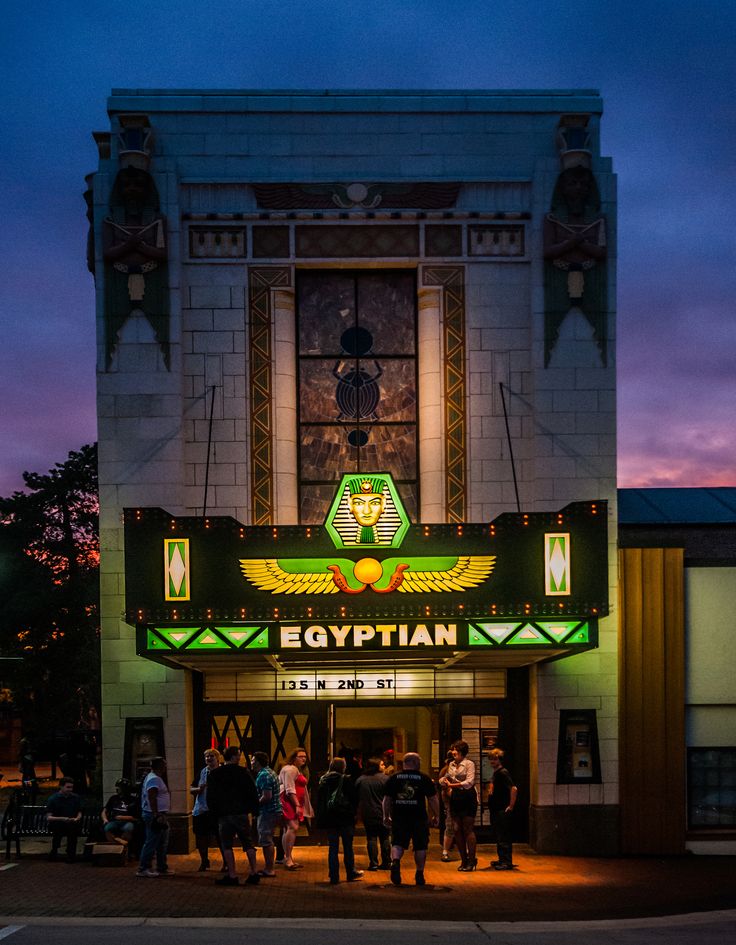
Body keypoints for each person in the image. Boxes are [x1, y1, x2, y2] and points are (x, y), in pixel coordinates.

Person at [382, 751, 439, 887]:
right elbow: (433, 799)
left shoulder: (394, 778)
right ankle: (419, 873)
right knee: (420, 845)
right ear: (415, 763)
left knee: (397, 842)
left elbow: (386, 799)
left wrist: (386, 815)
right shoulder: (424, 778)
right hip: (418, 818)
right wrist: (437, 815)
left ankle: (395, 862)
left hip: (399, 817)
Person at [206, 746, 260, 886]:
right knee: (248, 843)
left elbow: (211, 796)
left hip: (224, 814)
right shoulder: (243, 772)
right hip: (241, 813)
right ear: (235, 756)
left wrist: (214, 813)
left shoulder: (215, 774)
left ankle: (232, 874)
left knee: (227, 845)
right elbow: (252, 792)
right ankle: (254, 872)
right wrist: (254, 810)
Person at [315, 757, 363, 885]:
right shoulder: (345, 779)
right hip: (345, 816)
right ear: (343, 767)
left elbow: (320, 800)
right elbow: (354, 798)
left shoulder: (323, 780)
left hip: (330, 818)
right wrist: (354, 813)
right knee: (348, 846)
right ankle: (350, 872)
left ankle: (334, 875)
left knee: (333, 847)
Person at [439, 739, 478, 871]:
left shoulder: (469, 764)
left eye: (455, 749)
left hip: (467, 796)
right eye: (453, 749)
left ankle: (472, 860)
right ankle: (464, 860)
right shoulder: (451, 765)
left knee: (467, 829)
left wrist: (453, 785)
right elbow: (447, 777)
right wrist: (443, 781)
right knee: (456, 829)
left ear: (461, 751)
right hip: (455, 797)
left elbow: (469, 782)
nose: (453, 752)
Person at [137, 757, 174, 877]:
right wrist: (156, 814)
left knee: (161, 842)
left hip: (159, 814)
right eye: (164, 765)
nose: (165, 767)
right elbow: (152, 797)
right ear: (159, 766)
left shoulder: (153, 778)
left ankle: (162, 867)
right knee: (152, 841)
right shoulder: (154, 779)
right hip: (155, 815)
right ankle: (144, 868)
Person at [278, 746, 314, 870]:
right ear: (294, 758)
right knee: (292, 827)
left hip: (290, 801)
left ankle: (288, 857)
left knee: (288, 828)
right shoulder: (290, 769)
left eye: (305, 757)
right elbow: (289, 789)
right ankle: (288, 858)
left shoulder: (293, 769)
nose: (304, 759)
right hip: (289, 801)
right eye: (301, 756)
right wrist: (297, 805)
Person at [190, 748, 224, 871]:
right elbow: (191, 788)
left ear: (217, 758)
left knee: (221, 837)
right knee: (201, 836)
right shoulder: (202, 772)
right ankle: (204, 861)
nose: (208, 758)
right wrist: (198, 789)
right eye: (206, 756)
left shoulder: (222, 772)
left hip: (217, 810)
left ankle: (226, 862)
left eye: (211, 756)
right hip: (201, 809)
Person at [355, 759, 390, 870]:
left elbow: (355, 796)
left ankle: (373, 863)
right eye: (382, 764)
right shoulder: (385, 779)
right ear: (376, 766)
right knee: (385, 837)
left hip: (368, 812)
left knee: (371, 838)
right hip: (384, 811)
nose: (384, 766)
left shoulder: (361, 779)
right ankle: (386, 862)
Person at [252, 751, 282, 878]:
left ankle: (269, 869)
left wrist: (254, 804)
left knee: (266, 840)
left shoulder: (264, 775)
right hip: (273, 811)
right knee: (268, 839)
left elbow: (266, 796)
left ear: (258, 762)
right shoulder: (270, 772)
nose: (251, 762)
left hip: (267, 812)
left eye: (253, 760)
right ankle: (269, 867)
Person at [488, 748, 518, 871]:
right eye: (491, 759)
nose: (492, 762)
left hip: (501, 809)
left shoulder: (503, 773)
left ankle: (506, 861)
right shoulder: (497, 773)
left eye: (495, 759)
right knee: (499, 834)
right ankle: (502, 859)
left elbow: (513, 788)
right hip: (496, 808)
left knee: (503, 835)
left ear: (500, 760)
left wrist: (510, 806)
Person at [46, 777, 82, 862]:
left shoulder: (75, 798)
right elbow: (49, 817)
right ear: (61, 787)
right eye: (68, 787)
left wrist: (77, 818)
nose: (70, 789)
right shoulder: (53, 799)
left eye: (71, 787)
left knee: (72, 829)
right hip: (57, 823)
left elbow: (79, 811)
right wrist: (62, 819)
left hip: (71, 823)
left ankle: (71, 854)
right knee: (62, 829)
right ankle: (55, 850)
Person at [102, 777, 139, 847]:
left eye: (119, 787)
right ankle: (118, 843)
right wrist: (105, 819)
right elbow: (104, 811)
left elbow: (136, 818)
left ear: (124, 789)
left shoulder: (133, 800)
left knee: (129, 828)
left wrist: (122, 817)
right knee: (107, 828)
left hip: (127, 822)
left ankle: (123, 847)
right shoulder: (113, 798)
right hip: (114, 821)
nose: (117, 789)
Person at [438, 750, 457, 861]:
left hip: (451, 800)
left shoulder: (446, 769)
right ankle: (445, 850)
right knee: (450, 826)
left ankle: (446, 850)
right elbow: (443, 786)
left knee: (450, 826)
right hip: (451, 800)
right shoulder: (447, 770)